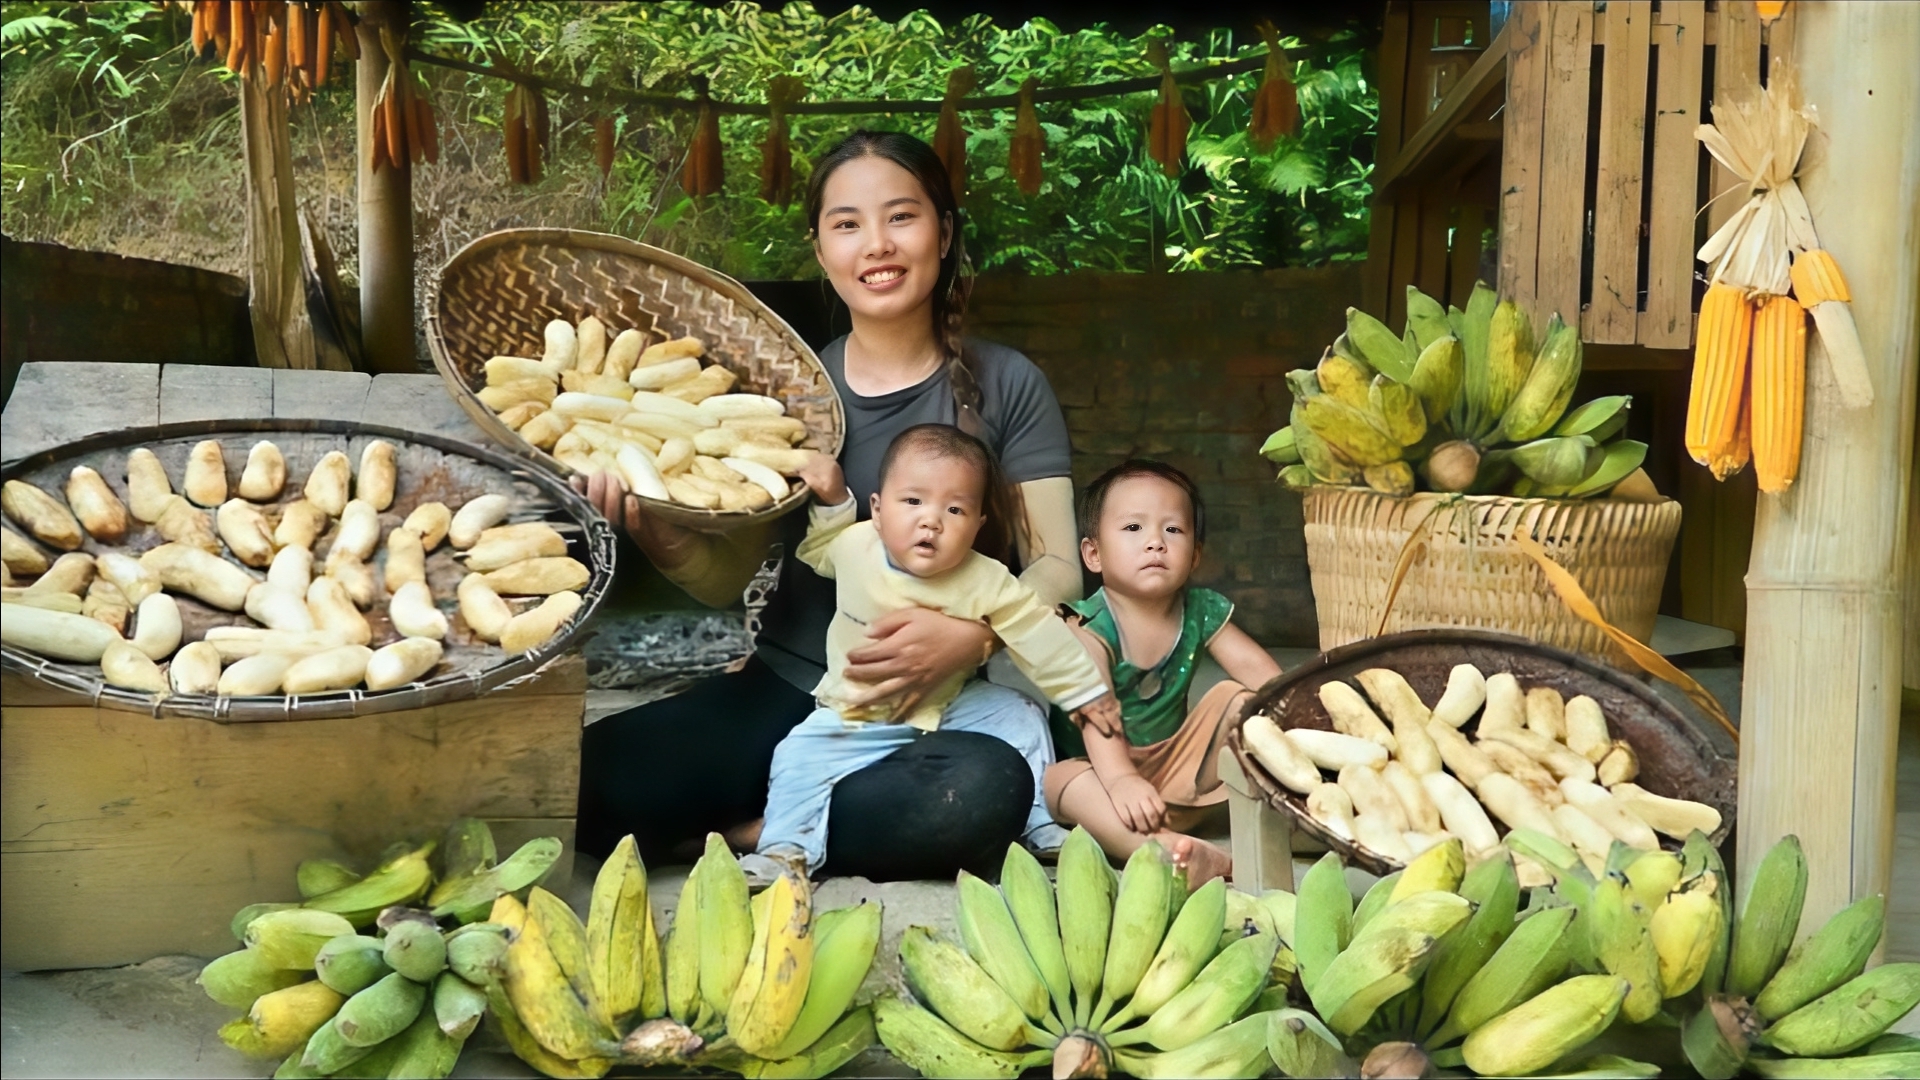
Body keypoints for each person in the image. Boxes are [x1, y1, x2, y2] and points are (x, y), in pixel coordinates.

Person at [573, 130, 1085, 880]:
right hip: (791, 689)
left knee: (985, 788)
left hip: (939, 706)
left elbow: (1060, 565)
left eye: (901, 217)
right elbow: (725, 579)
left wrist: (971, 637)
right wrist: (652, 528)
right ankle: (787, 815)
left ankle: (769, 828)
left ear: (943, 232)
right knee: (594, 780)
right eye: (847, 224)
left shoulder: (1008, 382)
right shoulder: (792, 396)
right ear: (820, 249)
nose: (876, 244)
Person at [751, 425, 1121, 878]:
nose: (932, 520)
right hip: (860, 708)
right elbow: (818, 550)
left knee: (1021, 712)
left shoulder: (987, 579)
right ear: (878, 510)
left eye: (955, 508)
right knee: (798, 754)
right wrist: (833, 502)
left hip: (951, 702)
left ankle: (1036, 821)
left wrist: (1086, 694)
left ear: (977, 525)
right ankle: (785, 849)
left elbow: (1037, 634)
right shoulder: (856, 545)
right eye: (913, 502)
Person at [1043, 460, 1284, 887]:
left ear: (1194, 555)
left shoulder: (1201, 609)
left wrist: (1306, 732)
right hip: (1104, 781)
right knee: (1060, 782)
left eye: (1172, 530)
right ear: (1093, 554)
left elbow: (1264, 677)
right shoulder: (1086, 626)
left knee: (1242, 702)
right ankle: (1161, 850)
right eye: (1133, 529)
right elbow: (1094, 710)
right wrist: (1120, 780)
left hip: (1180, 781)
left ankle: (1288, 815)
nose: (1155, 542)